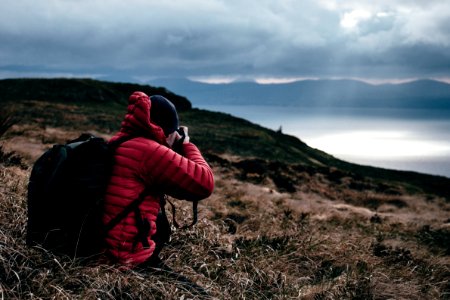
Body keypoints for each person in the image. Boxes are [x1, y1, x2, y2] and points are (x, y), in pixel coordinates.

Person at [102, 91, 214, 268]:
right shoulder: (150, 151)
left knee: (160, 222)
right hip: (123, 257)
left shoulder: (119, 140)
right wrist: (186, 145)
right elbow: (204, 183)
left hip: (100, 244)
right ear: (167, 131)